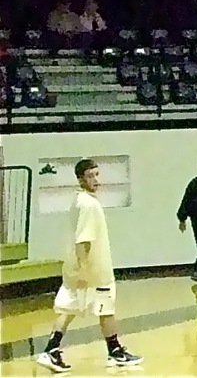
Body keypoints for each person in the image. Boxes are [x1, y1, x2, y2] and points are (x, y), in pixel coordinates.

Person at [36, 159, 142, 372]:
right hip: (93, 272)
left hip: (79, 270)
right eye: (91, 176)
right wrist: (84, 271)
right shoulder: (88, 205)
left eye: (97, 175)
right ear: (80, 179)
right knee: (105, 309)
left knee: (70, 310)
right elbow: (83, 240)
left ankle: (53, 349)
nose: (96, 180)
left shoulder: (79, 200)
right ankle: (114, 351)